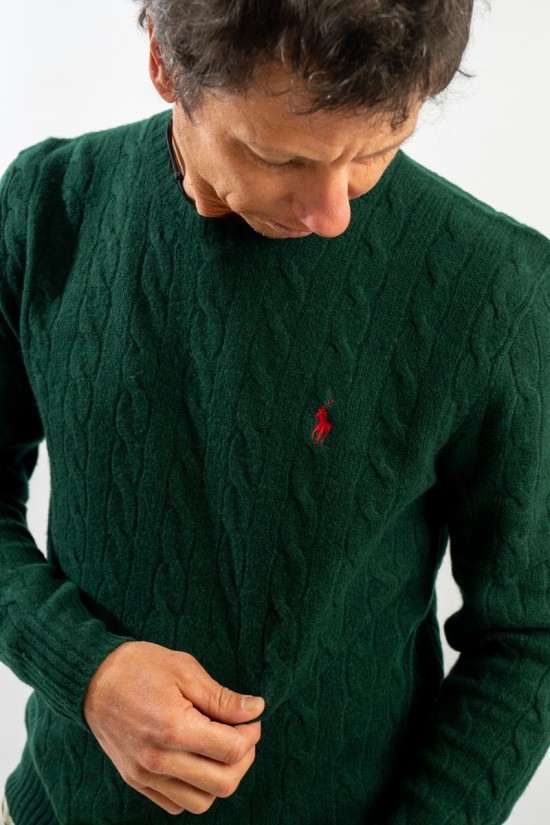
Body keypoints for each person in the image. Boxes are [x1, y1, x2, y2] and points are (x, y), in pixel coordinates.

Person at [1, 1, 550, 823]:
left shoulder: (498, 288)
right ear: (163, 63)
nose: (334, 213)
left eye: (378, 149)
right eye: (277, 156)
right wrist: (85, 671)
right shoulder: (47, 206)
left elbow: (530, 635)